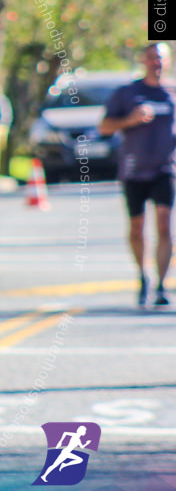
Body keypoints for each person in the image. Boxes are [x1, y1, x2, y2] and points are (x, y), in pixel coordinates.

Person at [100, 42, 176, 308]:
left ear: (167, 61)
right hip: (134, 170)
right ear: (143, 61)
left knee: (165, 224)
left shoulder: (173, 93)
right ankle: (142, 275)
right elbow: (105, 126)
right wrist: (129, 120)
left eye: (161, 58)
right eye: (151, 57)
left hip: (165, 169)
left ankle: (161, 284)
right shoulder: (127, 93)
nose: (156, 62)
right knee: (136, 227)